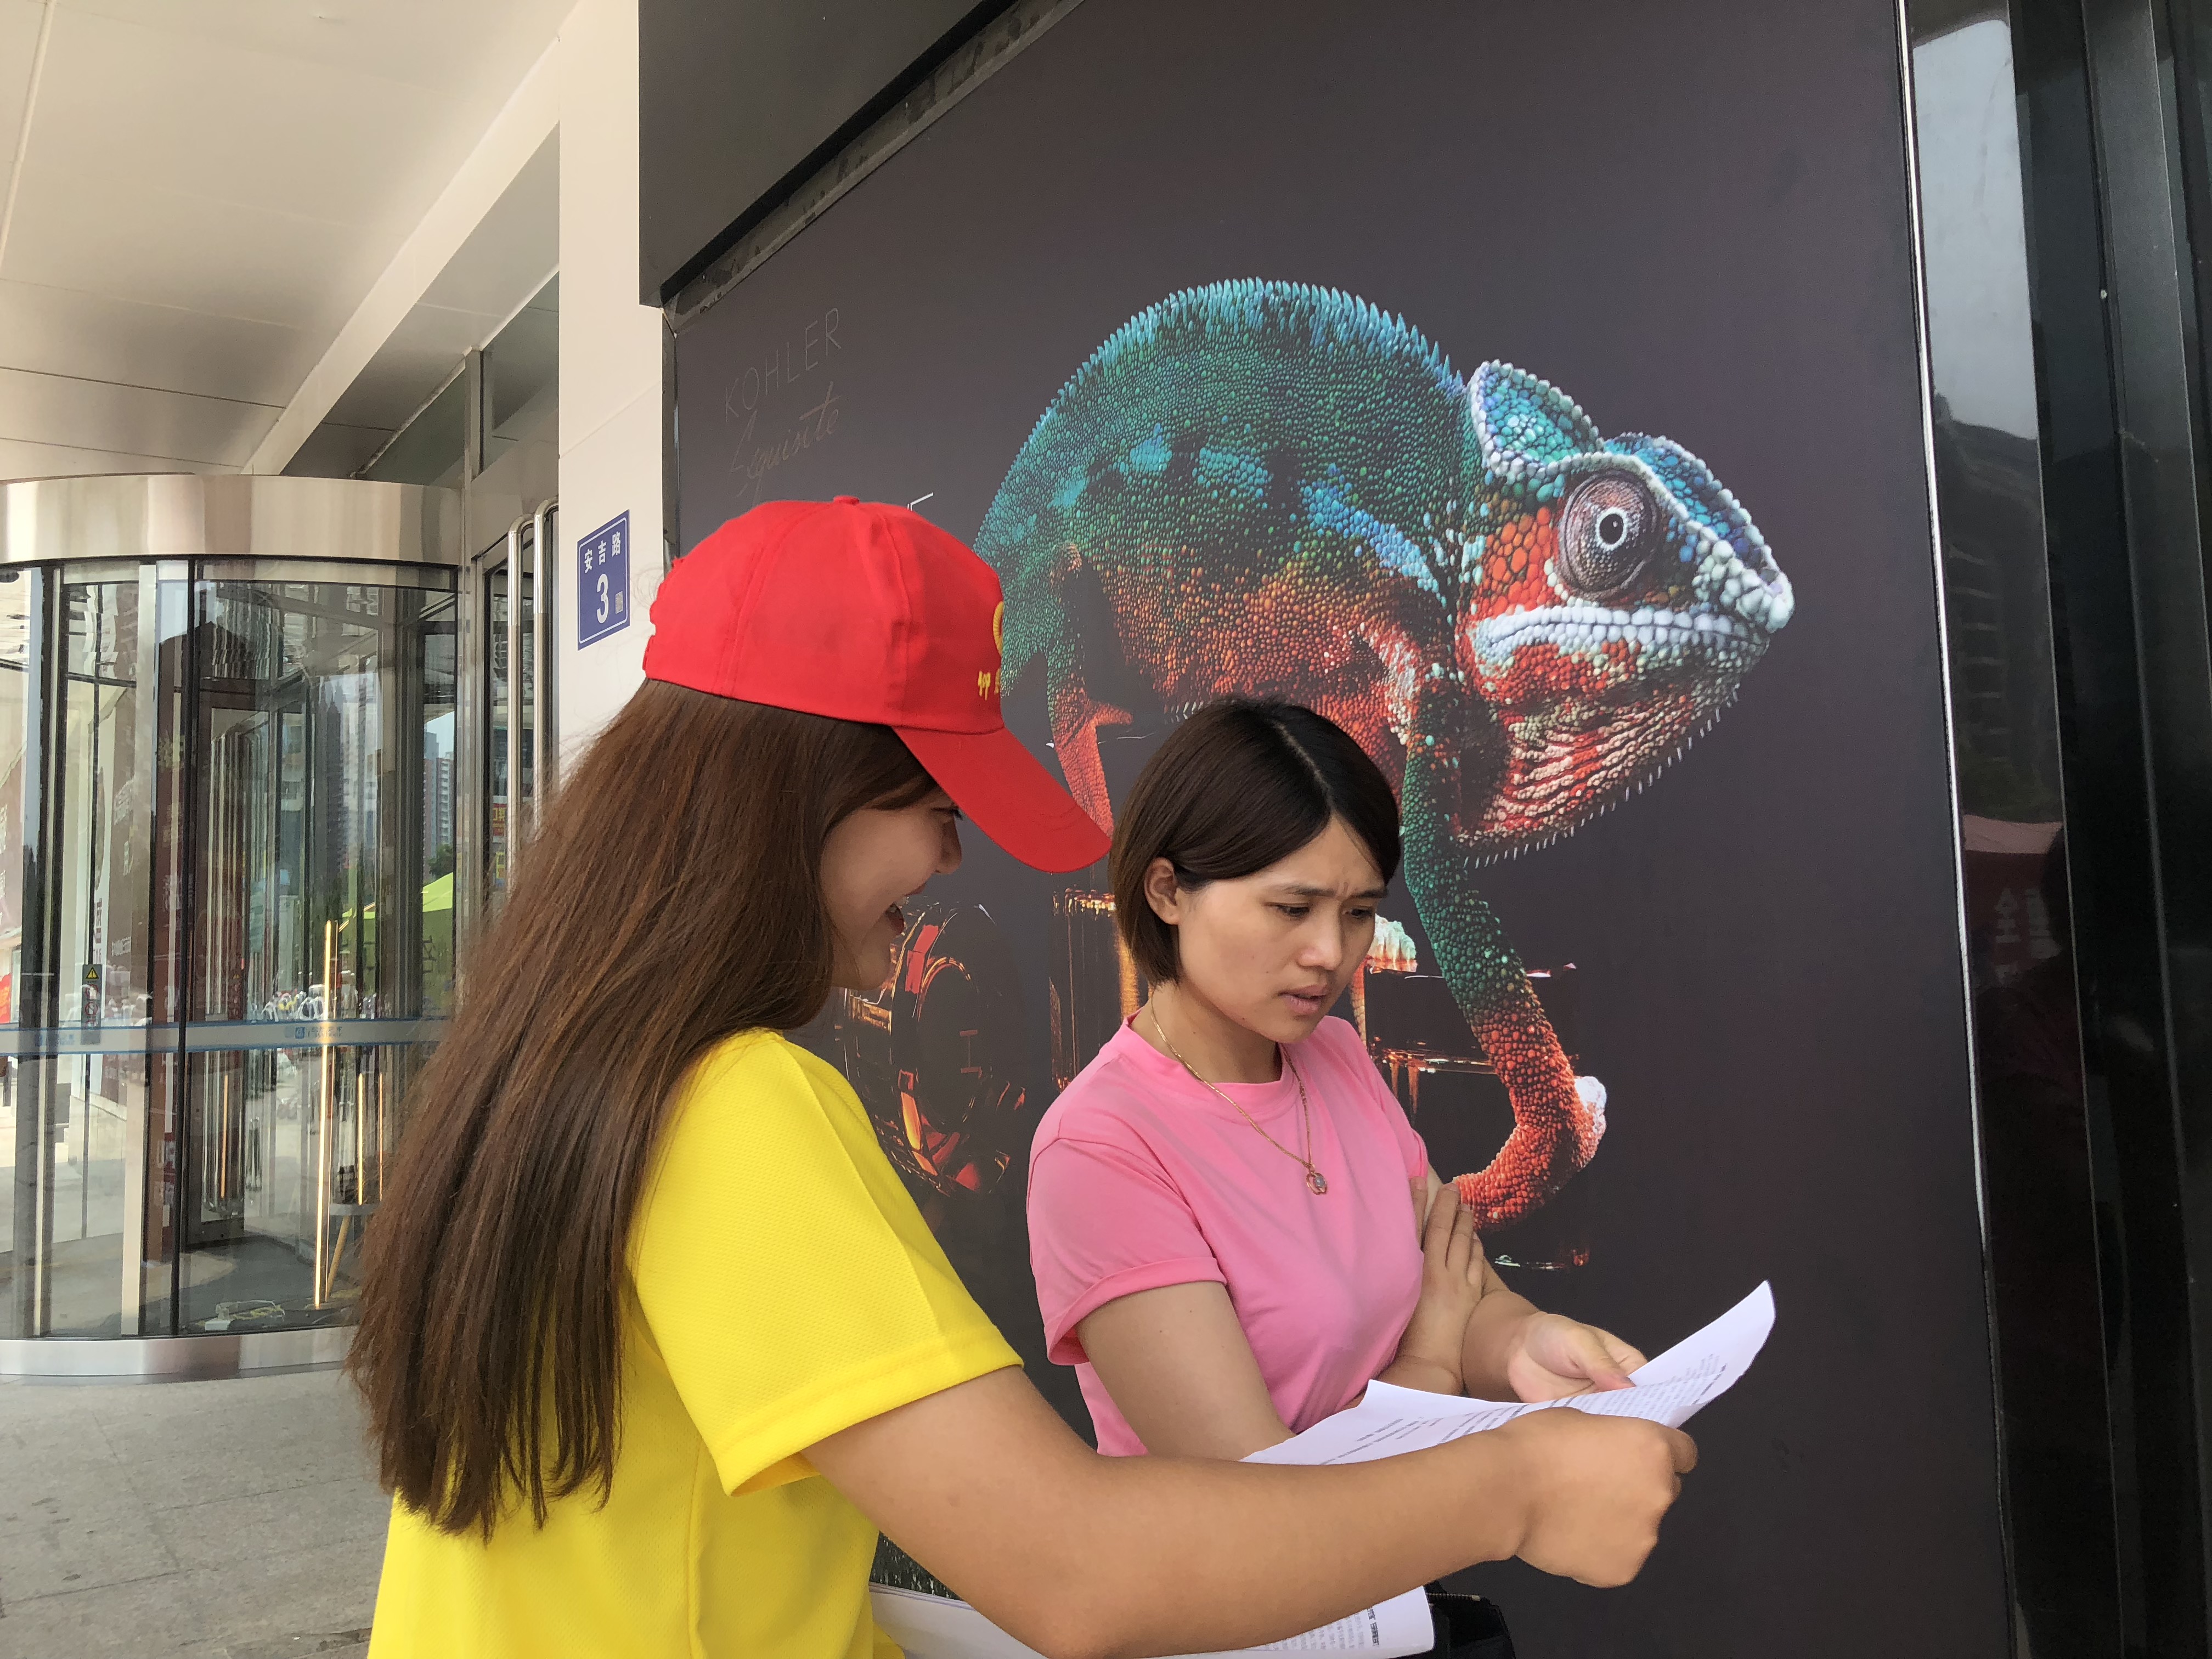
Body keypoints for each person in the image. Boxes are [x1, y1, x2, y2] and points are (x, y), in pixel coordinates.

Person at [349, 497, 1695, 1659]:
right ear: (801, 794)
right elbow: (1071, 1565)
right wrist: (1516, 1487)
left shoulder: (573, 1071)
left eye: (1354, 913)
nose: (949, 866)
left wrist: (1495, 1348)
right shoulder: (735, 1108)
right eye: (938, 812)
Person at [1028, 700, 1649, 1460]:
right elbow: (1254, 1490)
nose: (1329, 952)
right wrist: (1430, 1365)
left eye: (1358, 913)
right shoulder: (1100, 1149)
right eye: (1292, 908)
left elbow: (1462, 1292)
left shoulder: (1339, 1059)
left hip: (1413, 1533)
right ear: (1167, 891)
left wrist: (1531, 1342)